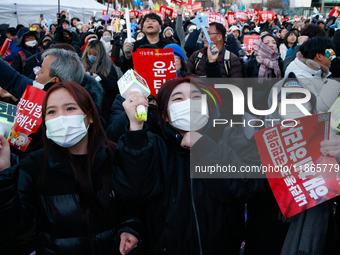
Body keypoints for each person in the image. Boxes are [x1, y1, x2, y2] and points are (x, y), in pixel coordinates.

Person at [113, 77, 263, 254]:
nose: (189, 104)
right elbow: (136, 194)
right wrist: (136, 129)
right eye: (178, 99)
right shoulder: (152, 146)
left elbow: (246, 187)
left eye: (196, 97)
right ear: (165, 114)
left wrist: (205, 147)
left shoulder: (230, 136)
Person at [0, 82, 141, 255]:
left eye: (70, 108)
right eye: (51, 111)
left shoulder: (116, 156)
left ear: (90, 115)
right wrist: (4, 175)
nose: (61, 117)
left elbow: (135, 202)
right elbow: (14, 225)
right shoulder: (32, 166)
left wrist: (131, 227)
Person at [284, 36, 340, 113]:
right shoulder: (299, 76)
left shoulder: (316, 69)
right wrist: (335, 78)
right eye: (331, 55)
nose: (333, 58)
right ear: (319, 56)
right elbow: (318, 108)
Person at [82, 40, 119, 124]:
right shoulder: (82, 65)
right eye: (89, 54)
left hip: (104, 108)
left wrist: (99, 77)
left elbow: (114, 86)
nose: (91, 57)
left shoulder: (108, 67)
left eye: (94, 55)